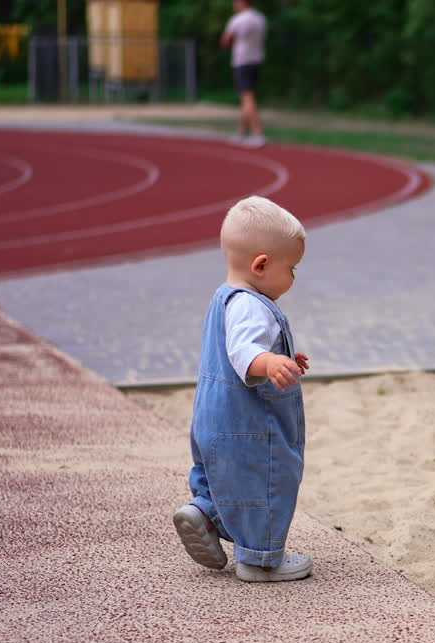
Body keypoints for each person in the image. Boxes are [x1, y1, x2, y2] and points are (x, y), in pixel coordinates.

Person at [173, 196, 312, 582]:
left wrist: (280, 357)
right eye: (292, 268)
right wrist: (267, 362)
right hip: (249, 422)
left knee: (223, 473)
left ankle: (204, 512)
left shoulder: (224, 297)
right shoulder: (251, 305)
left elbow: (239, 346)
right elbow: (244, 351)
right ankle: (261, 560)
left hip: (212, 417)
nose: (294, 277)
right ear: (262, 265)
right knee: (266, 479)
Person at [221, 0, 267, 147]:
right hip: (257, 60)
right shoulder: (260, 18)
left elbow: (226, 41)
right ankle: (241, 133)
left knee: (247, 98)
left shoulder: (237, 20)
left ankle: (257, 133)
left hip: (242, 61)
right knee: (248, 98)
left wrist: (229, 43)